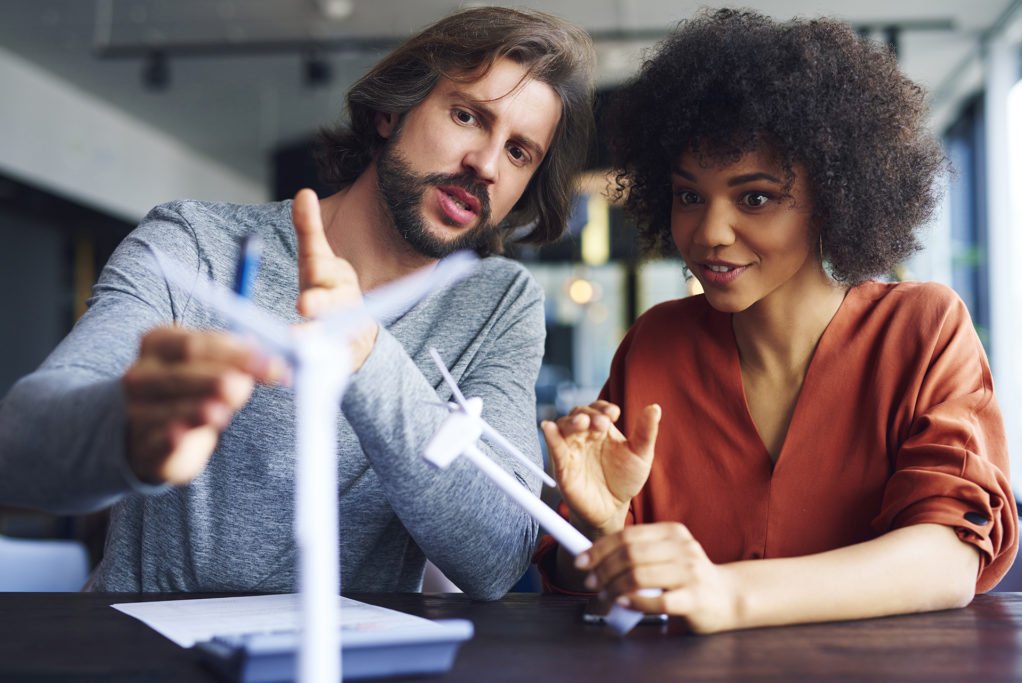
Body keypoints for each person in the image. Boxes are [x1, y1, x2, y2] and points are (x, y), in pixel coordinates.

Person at [0, 7, 594, 599]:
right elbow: (19, 449)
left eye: (520, 152)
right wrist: (126, 433)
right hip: (146, 652)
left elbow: (496, 559)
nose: (486, 165)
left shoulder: (499, 304)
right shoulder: (195, 243)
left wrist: (367, 356)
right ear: (392, 111)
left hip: (341, 656)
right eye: (467, 116)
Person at [538, 8, 1017, 632]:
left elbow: (949, 559)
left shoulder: (921, 330)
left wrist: (727, 595)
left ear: (831, 198)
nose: (708, 233)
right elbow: (585, 585)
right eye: (688, 196)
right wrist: (604, 526)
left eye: (755, 197)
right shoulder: (657, 346)